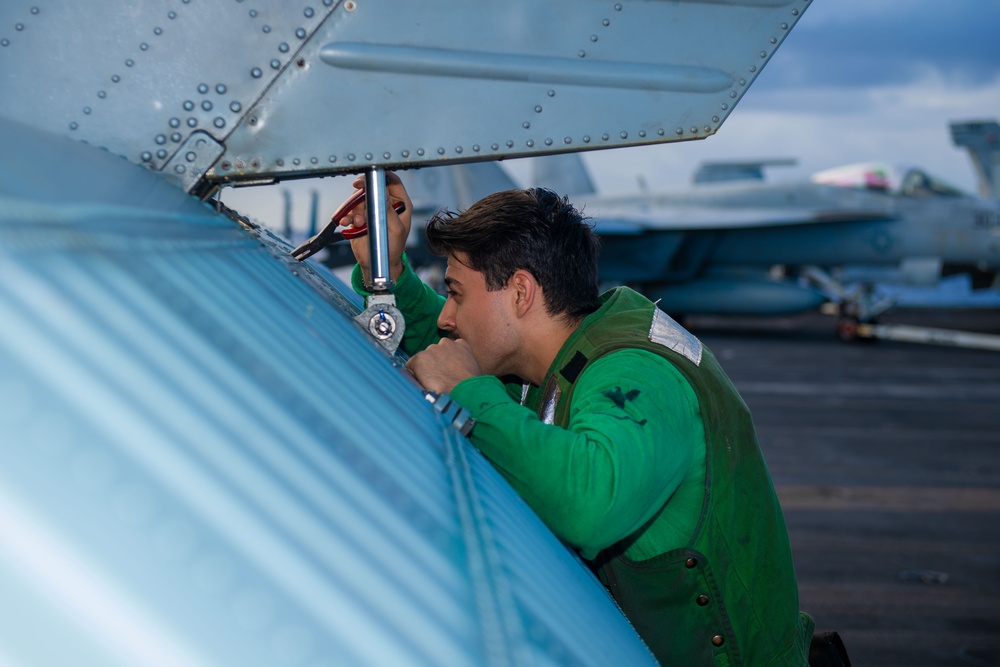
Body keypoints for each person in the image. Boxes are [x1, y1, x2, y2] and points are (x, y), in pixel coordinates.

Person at [340, 172, 815, 666]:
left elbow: (590, 504)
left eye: (457, 293)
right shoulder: (569, 349)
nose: (447, 317)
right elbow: (455, 353)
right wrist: (389, 272)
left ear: (521, 293)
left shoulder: (640, 374)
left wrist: (468, 392)